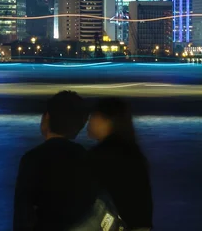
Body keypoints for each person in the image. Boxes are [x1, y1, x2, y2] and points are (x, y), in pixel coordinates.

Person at [13, 91, 99, 231]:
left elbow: (23, 214)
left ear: (46, 118)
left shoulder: (33, 159)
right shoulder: (88, 158)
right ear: (80, 126)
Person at [87, 98, 153, 231]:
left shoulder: (100, 155)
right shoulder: (134, 154)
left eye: (93, 117)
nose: (89, 122)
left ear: (107, 120)